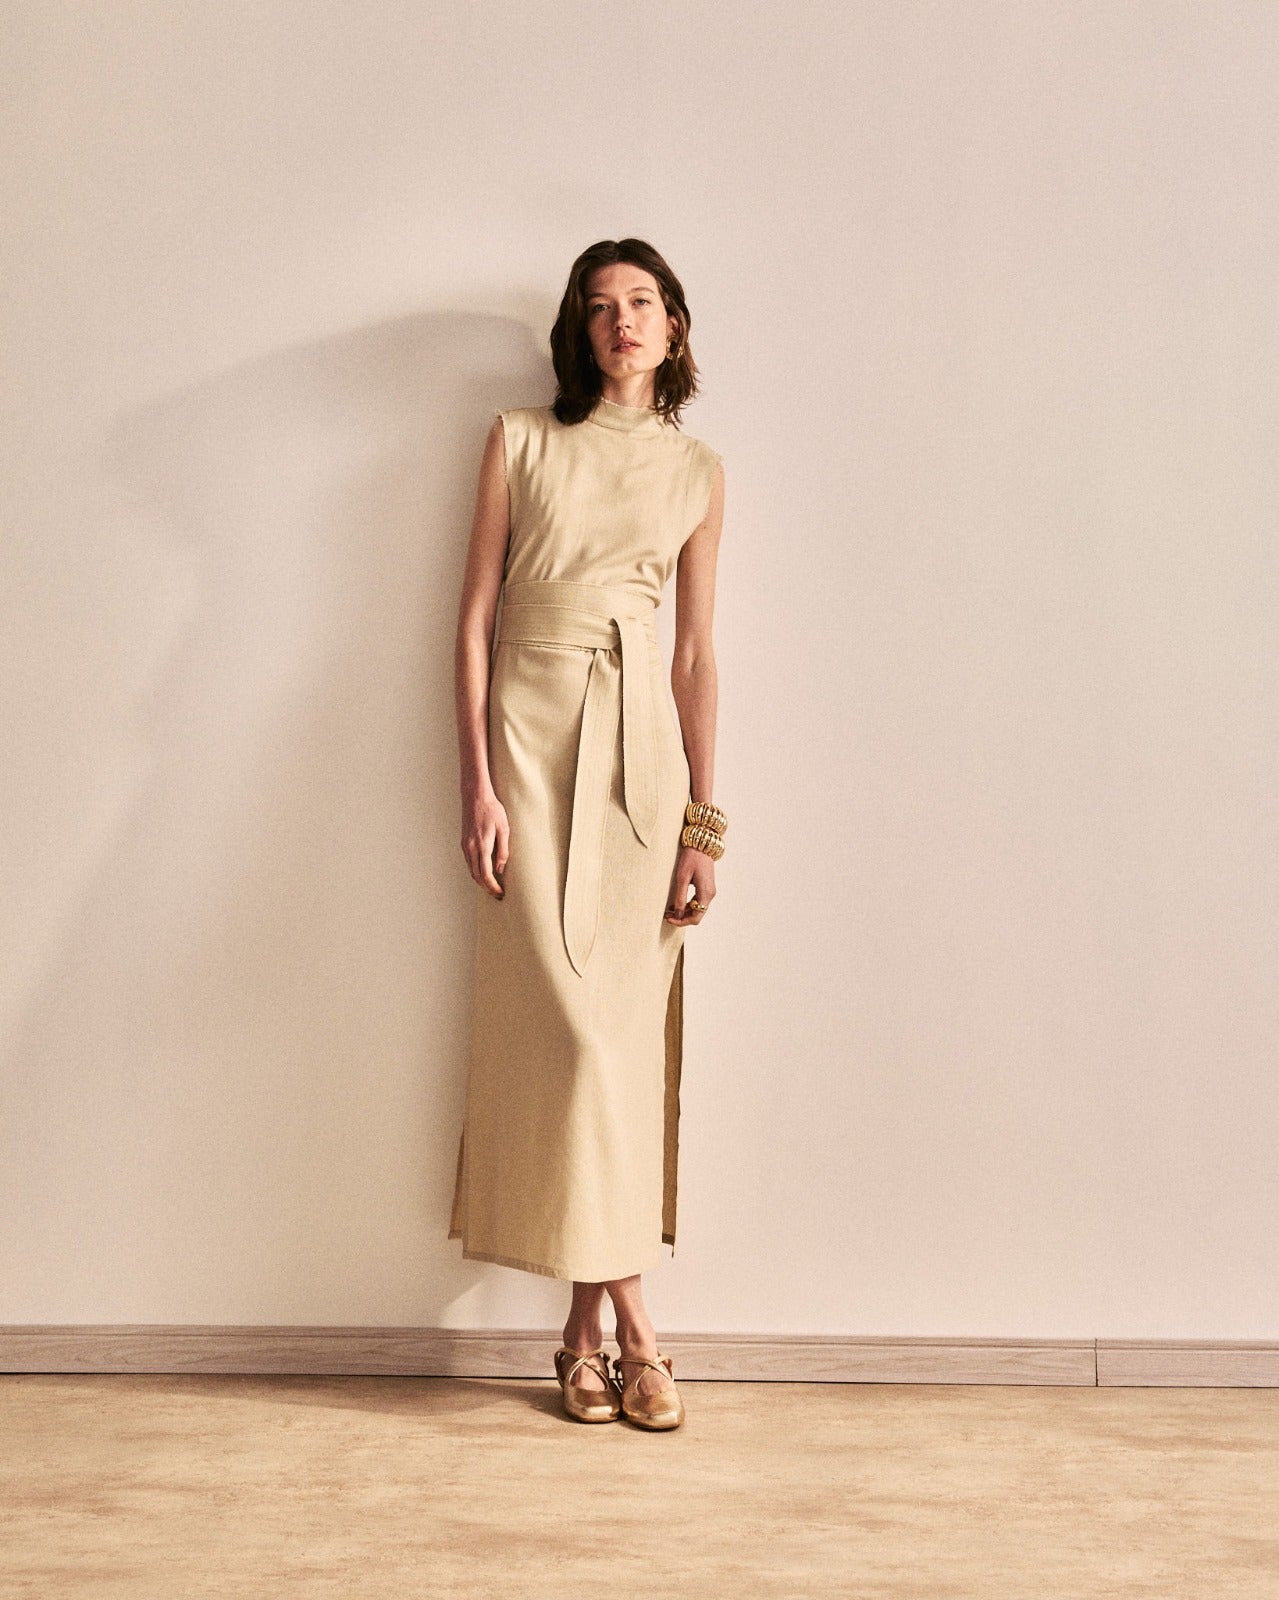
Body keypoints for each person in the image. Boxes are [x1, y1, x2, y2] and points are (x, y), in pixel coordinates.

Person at [449, 238, 727, 1430]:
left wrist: (703, 819)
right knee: (570, 1039)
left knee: (611, 1048)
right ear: (579, 328)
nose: (622, 320)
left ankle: (583, 1339)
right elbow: (472, 619)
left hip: (639, 775)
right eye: (601, 305)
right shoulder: (518, 441)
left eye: (642, 302)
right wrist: (475, 783)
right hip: (528, 739)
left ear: (673, 326)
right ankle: (644, 1338)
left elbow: (694, 654)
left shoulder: (698, 470)